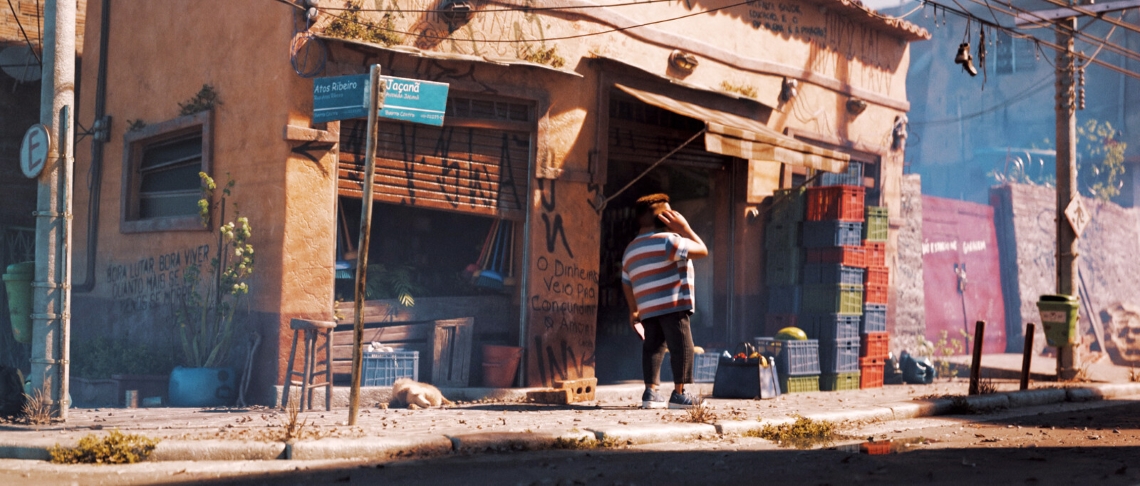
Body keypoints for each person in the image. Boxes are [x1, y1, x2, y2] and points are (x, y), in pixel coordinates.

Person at [621, 193, 709, 409]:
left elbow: (626, 282)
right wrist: (685, 228)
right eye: (671, 213)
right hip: (674, 304)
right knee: (681, 345)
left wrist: (634, 311)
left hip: (648, 309)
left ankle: (650, 393)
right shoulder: (669, 241)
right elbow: (703, 250)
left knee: (653, 347)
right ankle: (680, 394)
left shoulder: (630, 250)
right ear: (664, 218)